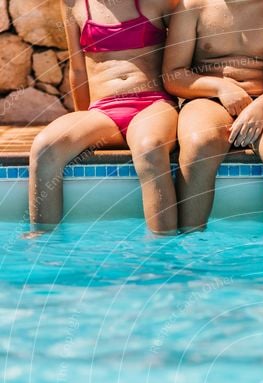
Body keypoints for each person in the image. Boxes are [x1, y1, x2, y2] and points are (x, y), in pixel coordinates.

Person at [30, 0, 178, 235]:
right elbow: (77, 70)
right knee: (44, 148)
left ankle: (162, 251)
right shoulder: (73, 3)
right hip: (102, 112)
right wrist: (84, 126)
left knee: (149, 148)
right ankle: (41, 246)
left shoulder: (162, 2)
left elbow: (183, 56)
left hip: (153, 105)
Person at [163, 0, 263, 236]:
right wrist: (220, 87)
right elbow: (173, 75)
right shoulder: (192, 8)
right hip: (208, 99)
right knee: (200, 143)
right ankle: (190, 243)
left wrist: (261, 107)